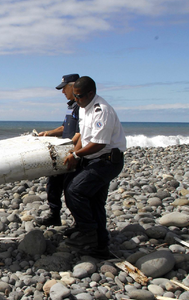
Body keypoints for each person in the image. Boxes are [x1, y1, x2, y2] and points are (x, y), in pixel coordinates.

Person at [63, 76, 126, 259]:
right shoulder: (84, 107)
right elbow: (84, 135)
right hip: (93, 159)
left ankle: (87, 232)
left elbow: (99, 143)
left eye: (79, 96)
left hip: (107, 161)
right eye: (74, 96)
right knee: (93, 200)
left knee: (76, 190)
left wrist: (76, 155)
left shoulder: (102, 111)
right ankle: (100, 246)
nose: (76, 100)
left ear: (91, 93)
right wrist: (76, 153)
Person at [36, 73, 80, 227]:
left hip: (74, 153)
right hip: (64, 151)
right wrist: (48, 133)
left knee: (71, 190)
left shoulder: (81, 107)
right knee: (53, 183)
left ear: (74, 86)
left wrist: (73, 153)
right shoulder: (71, 107)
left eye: (64, 88)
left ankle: (79, 223)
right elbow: (64, 128)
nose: (62, 92)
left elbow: (81, 134)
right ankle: (54, 214)